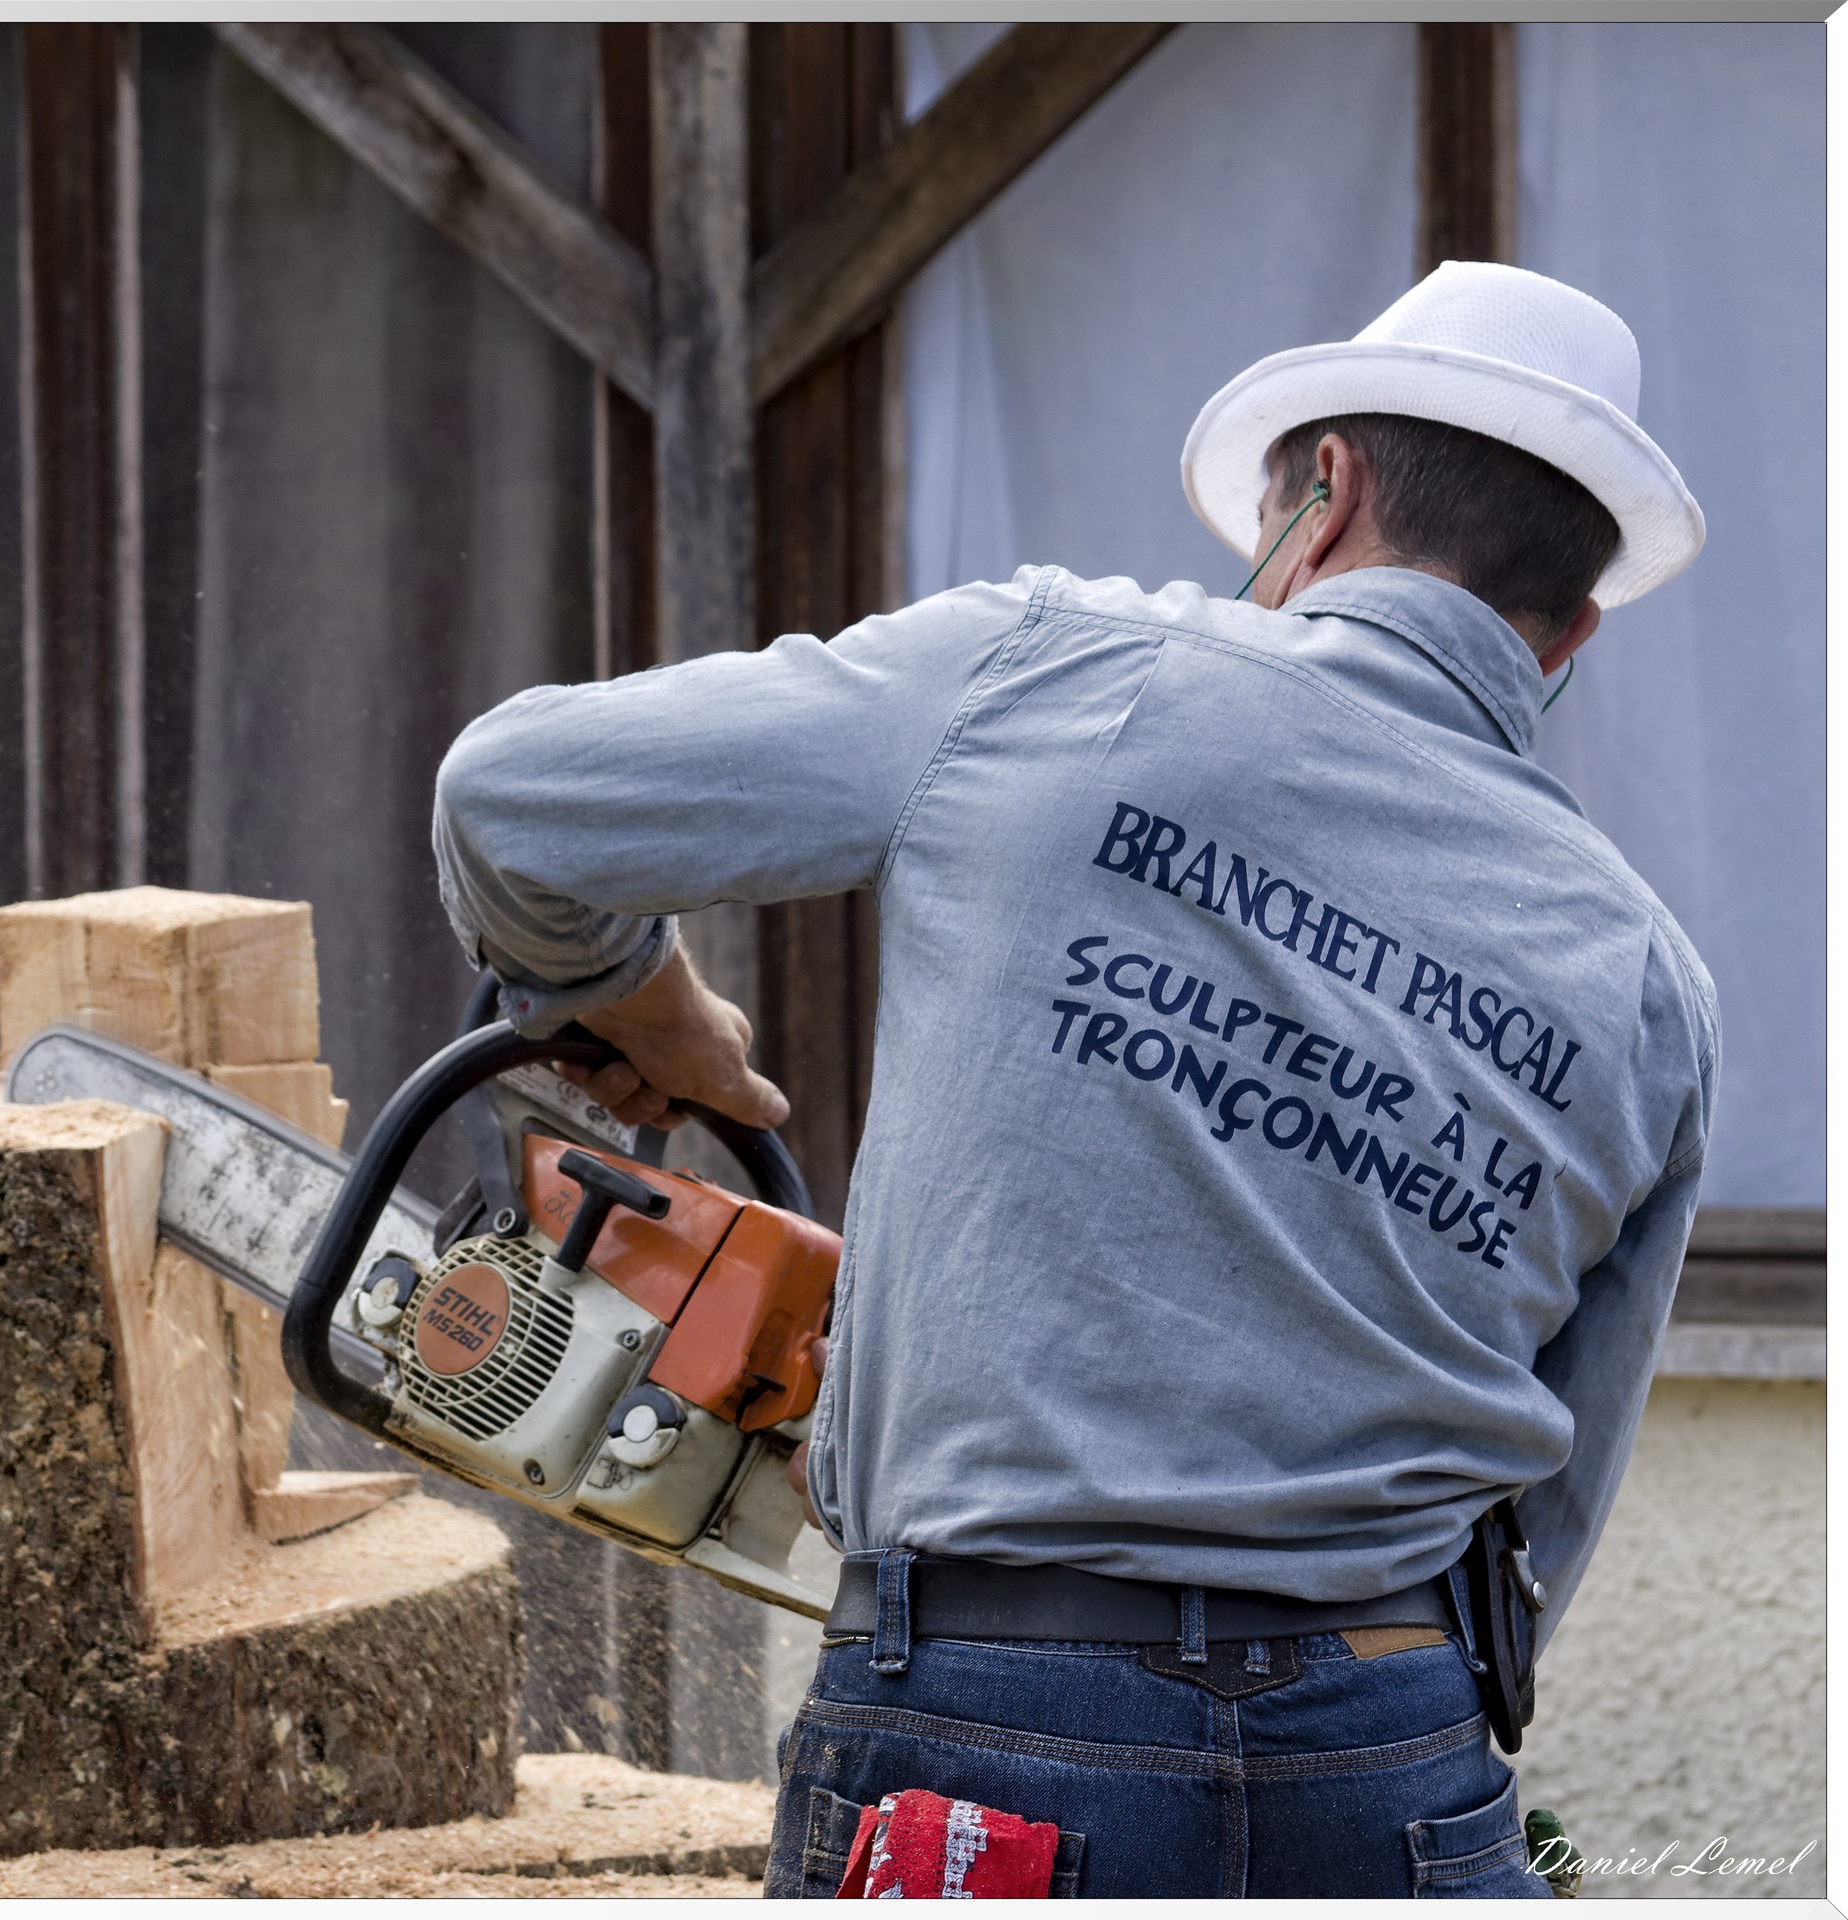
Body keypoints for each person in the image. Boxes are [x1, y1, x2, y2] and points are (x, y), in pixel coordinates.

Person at [428, 261, 1717, 1899]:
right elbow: (1545, 1531)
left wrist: (651, 1009)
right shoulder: (1651, 981)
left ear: (1326, 494)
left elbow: (514, 796)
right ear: (1572, 633)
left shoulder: (1048, 670)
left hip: (991, 1739)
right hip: (1397, 1774)